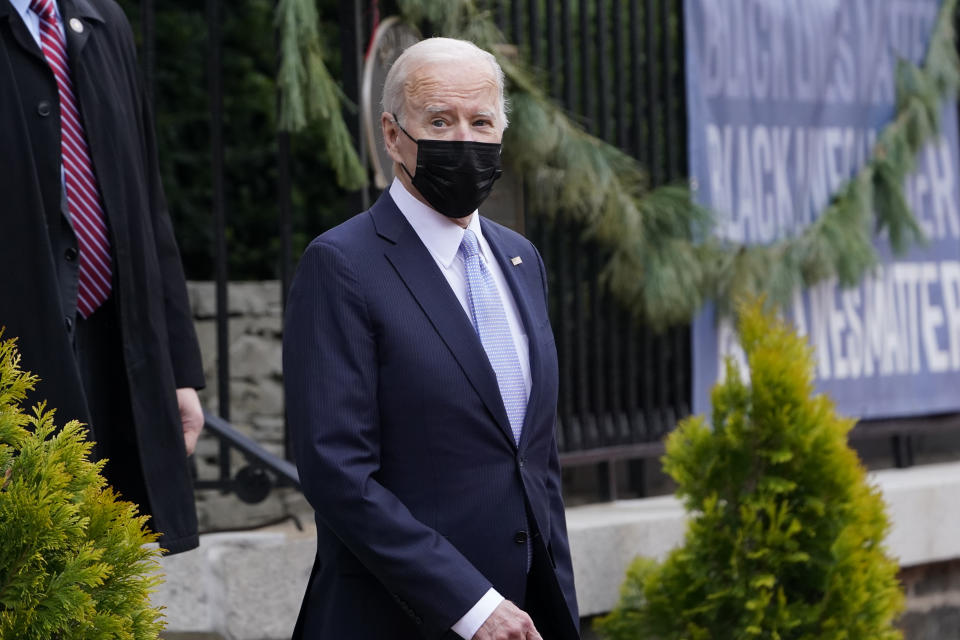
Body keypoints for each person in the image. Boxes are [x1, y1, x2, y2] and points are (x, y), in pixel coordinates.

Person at [284, 37, 580, 640]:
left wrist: (557, 604)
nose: (465, 141)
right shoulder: (343, 264)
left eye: (482, 122)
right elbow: (337, 472)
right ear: (393, 135)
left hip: (526, 616)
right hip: (399, 618)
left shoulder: (521, 259)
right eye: (440, 121)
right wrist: (471, 604)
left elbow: (534, 461)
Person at [0, 0, 204, 554]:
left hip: (109, 343)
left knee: (93, 574)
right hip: (15, 357)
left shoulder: (102, 20)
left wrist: (178, 372)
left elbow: (147, 203)